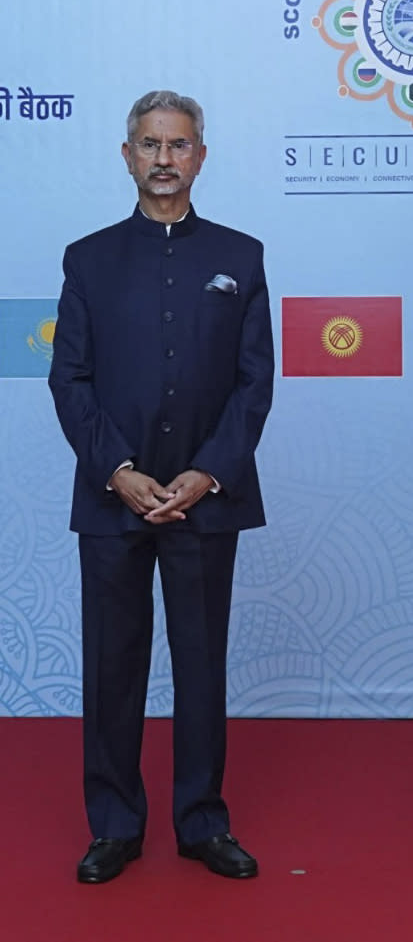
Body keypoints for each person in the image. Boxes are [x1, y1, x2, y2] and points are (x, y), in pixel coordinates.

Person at [49, 90, 274, 883]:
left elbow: (255, 384)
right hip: (114, 499)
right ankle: (114, 823)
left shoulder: (240, 256)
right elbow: (69, 379)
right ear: (127, 156)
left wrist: (205, 473)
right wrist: (119, 472)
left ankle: (202, 821)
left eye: (179, 145)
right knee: (113, 665)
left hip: (204, 501)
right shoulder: (88, 258)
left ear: (200, 157)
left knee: (201, 663)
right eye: (149, 144)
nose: (164, 159)